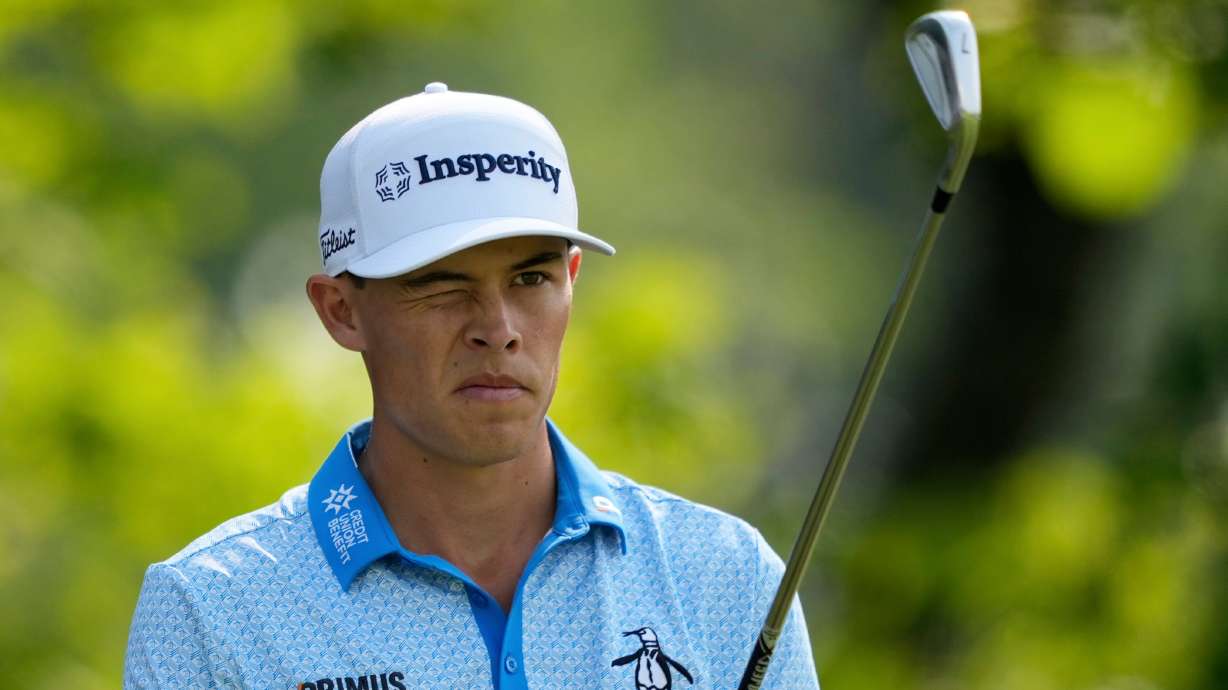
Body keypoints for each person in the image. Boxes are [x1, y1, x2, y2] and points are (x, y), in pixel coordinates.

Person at [123, 82, 819, 690]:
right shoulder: (212, 609)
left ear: (571, 283)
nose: (499, 328)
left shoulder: (724, 578)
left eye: (531, 279)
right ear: (341, 310)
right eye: (441, 285)